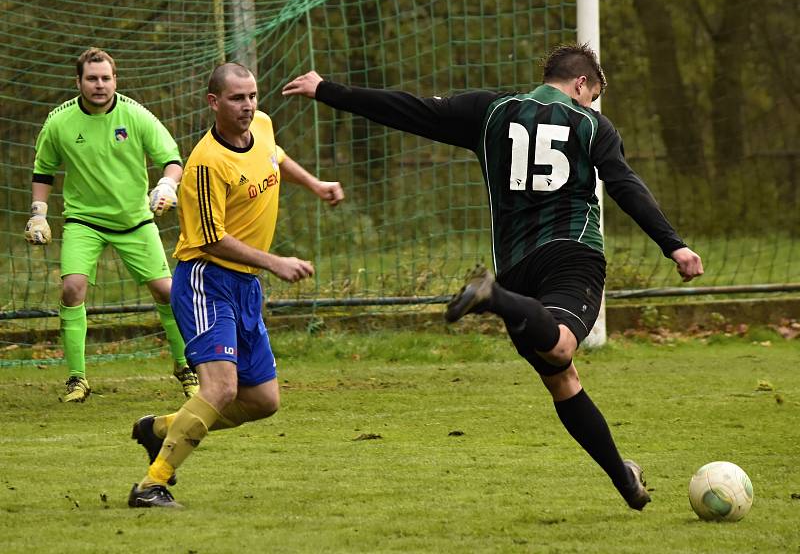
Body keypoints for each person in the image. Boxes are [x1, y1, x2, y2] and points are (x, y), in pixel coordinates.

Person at [282, 43, 704, 511]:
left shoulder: (490, 111)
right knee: (563, 345)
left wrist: (327, 90)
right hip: (571, 254)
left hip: (517, 266)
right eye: (592, 95)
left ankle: (623, 476)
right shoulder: (591, 125)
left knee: (562, 378)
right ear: (582, 84)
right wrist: (673, 243)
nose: (590, 105)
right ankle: (492, 296)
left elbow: (408, 110)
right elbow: (624, 184)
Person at [127, 62, 344, 508]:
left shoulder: (262, 125)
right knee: (221, 388)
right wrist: (275, 262)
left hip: (245, 286)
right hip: (208, 281)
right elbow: (212, 239)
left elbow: (275, 157)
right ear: (214, 103)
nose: (247, 107)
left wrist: (316, 184)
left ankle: (164, 429)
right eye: (236, 98)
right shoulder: (205, 163)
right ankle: (152, 485)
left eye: (252, 97)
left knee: (264, 401)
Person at [26, 47, 199, 403]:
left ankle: (186, 367)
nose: (99, 85)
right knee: (72, 288)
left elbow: (171, 160)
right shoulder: (59, 122)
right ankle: (77, 379)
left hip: (135, 221)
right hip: (83, 220)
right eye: (92, 78)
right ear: (78, 82)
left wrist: (166, 185)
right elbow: (43, 170)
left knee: (168, 292)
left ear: (115, 80)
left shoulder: (136, 116)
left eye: (106, 78)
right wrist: (39, 212)